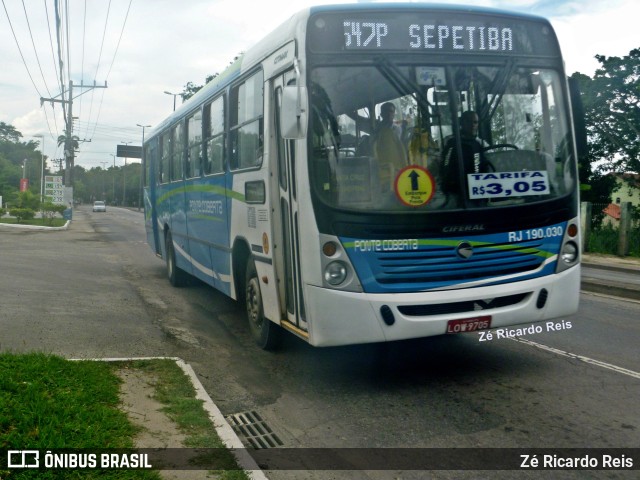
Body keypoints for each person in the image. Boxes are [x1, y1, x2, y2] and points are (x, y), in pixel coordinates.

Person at [441, 111, 490, 194]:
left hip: (478, 189)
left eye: (475, 122)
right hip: (455, 192)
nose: (473, 125)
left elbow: (490, 163)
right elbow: (445, 167)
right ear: (461, 123)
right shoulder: (451, 143)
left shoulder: (481, 144)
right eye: (468, 121)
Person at [372, 102, 407, 190]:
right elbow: (374, 147)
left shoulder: (398, 129)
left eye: (391, 111)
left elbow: (401, 147)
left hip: (397, 165)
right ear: (381, 114)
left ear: (394, 113)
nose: (389, 114)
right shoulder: (376, 130)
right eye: (386, 111)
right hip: (381, 164)